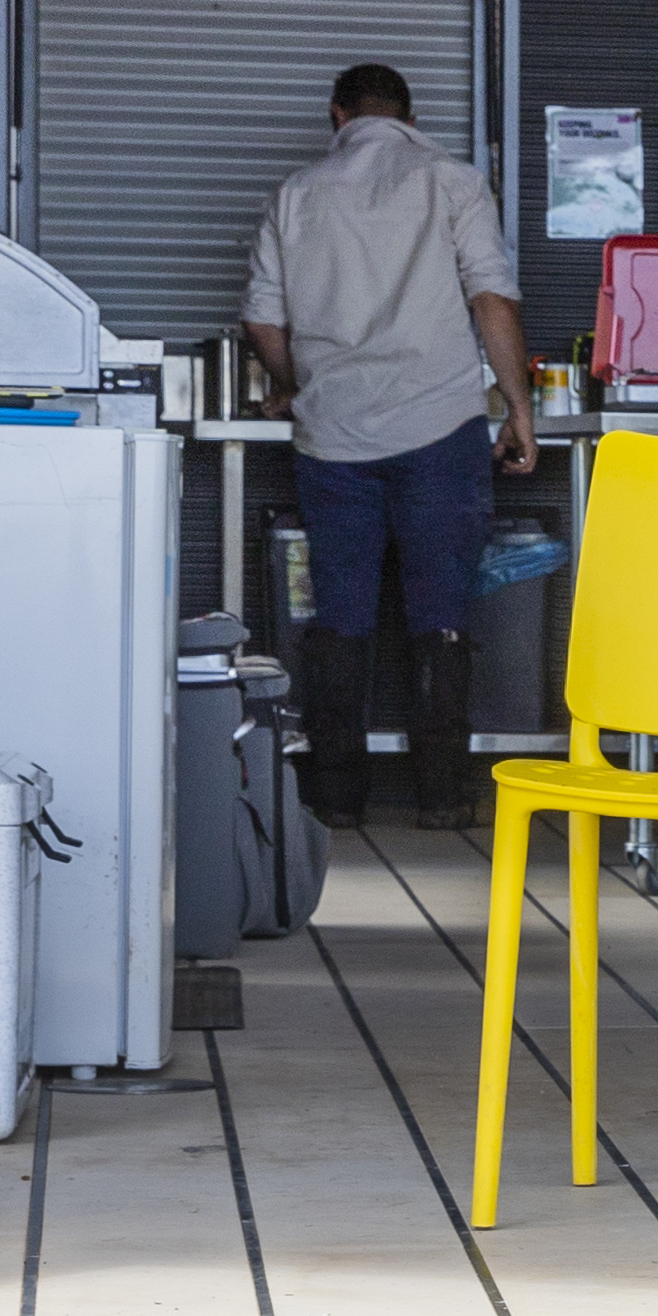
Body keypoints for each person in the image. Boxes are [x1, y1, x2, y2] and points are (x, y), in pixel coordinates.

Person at [241, 64, 537, 832]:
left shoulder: (296, 194)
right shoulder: (452, 180)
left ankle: (336, 798)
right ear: (407, 116)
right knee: (439, 609)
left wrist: (294, 384)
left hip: (333, 436)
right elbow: (492, 299)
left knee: (340, 610)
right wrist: (518, 407)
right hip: (439, 429)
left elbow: (264, 324)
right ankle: (443, 796)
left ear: (336, 114)